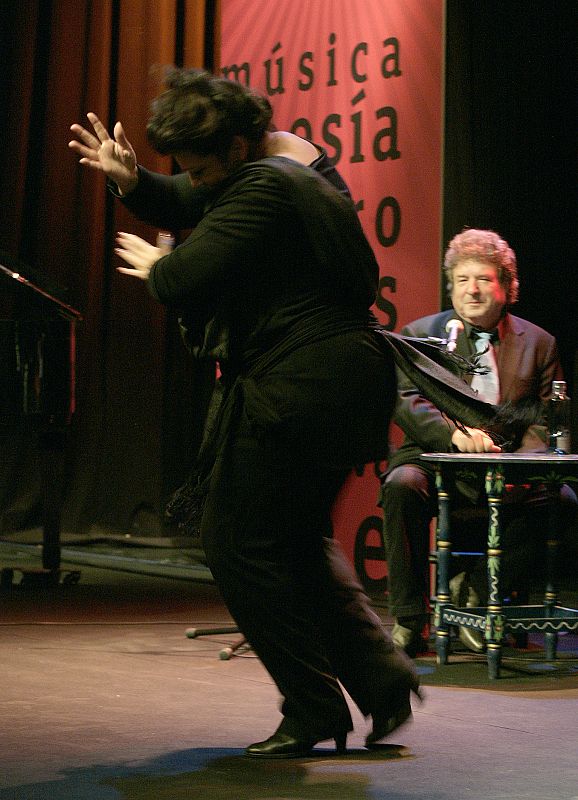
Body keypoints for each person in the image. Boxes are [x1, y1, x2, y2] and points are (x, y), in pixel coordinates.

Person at [69, 68, 421, 758]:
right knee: (292, 541)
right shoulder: (287, 166)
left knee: (235, 544)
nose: (193, 182)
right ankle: (381, 682)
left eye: (200, 168)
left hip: (302, 385)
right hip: (334, 377)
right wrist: (133, 180)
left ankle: (315, 706)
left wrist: (157, 266)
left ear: (235, 148)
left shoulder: (263, 191)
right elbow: (187, 203)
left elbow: (181, 273)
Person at [381, 228, 577, 657]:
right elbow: (406, 400)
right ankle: (410, 619)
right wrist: (453, 436)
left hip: (507, 462)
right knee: (400, 487)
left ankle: (480, 583)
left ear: (507, 287)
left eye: (484, 279)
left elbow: (546, 417)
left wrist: (521, 466)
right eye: (462, 280)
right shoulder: (422, 333)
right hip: (436, 456)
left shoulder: (539, 343)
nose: (472, 290)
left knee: (563, 499)